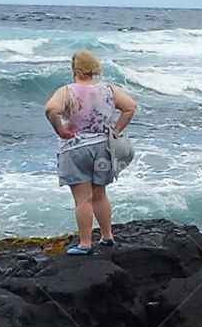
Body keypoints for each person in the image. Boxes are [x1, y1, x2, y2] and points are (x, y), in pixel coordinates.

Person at [44, 49, 137, 255]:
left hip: (76, 150)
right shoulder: (108, 89)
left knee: (82, 199)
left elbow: (51, 109)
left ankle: (85, 244)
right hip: (104, 149)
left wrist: (60, 130)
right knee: (100, 195)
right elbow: (130, 106)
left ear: (74, 69)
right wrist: (117, 129)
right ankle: (107, 236)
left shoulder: (67, 91)